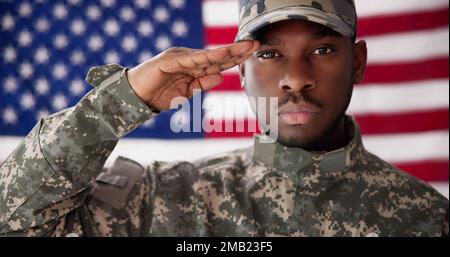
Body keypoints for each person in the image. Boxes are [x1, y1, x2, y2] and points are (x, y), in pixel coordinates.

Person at [0, 0, 448, 237]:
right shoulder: (162, 199)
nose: (295, 78)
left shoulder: (426, 219)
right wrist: (122, 100)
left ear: (357, 61)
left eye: (323, 50)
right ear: (241, 72)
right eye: (270, 54)